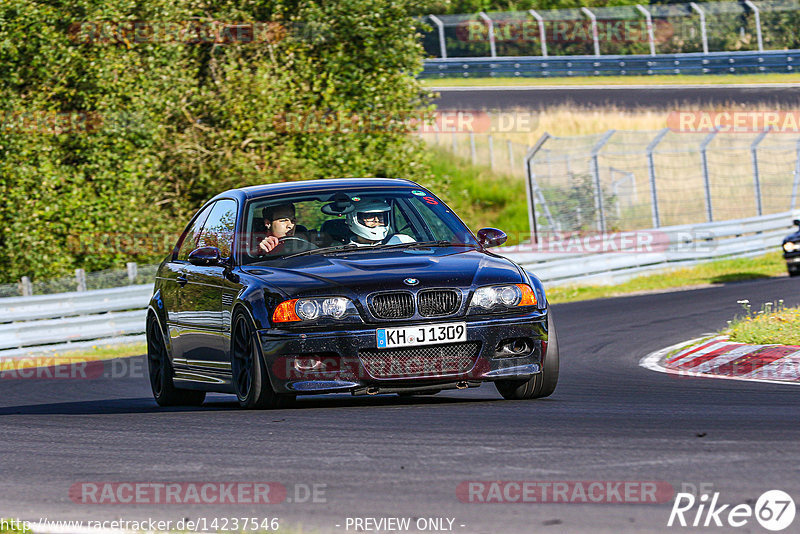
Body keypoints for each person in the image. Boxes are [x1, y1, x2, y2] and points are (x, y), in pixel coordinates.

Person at [346, 199, 415, 246]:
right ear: (353, 219)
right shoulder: (344, 251)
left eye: (380, 216)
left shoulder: (403, 241)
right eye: (369, 216)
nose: (377, 220)